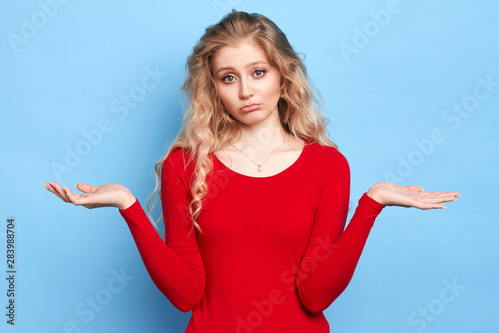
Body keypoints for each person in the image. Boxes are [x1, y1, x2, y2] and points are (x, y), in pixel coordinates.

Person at [43, 10, 459, 333]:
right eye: (229, 77)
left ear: (283, 74)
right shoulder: (185, 164)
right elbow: (186, 294)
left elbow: (315, 296)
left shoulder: (328, 166)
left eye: (258, 72)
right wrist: (128, 205)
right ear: (214, 88)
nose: (245, 91)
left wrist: (372, 204)